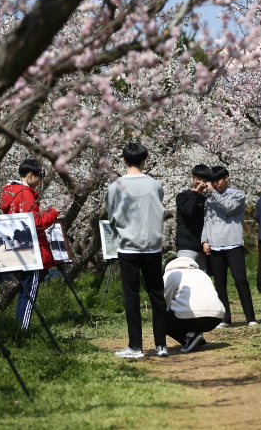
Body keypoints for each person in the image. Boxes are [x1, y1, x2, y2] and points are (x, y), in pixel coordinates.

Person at [106, 143, 168, 359]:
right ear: (145, 160)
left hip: (128, 248)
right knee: (157, 295)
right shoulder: (156, 184)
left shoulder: (115, 187)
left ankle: (135, 347)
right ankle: (161, 345)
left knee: (131, 297)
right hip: (153, 246)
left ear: (123, 160)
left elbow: (111, 215)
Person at [0, 158, 59, 330]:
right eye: (40, 177)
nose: (40, 182)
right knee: (29, 290)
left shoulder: (11, 192)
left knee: (25, 289)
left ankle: (18, 327)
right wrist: (53, 213)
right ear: (30, 174)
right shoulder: (25, 193)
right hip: (31, 249)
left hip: (16, 247)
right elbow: (35, 223)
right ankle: (22, 330)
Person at [201, 166, 258, 327]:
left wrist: (213, 193)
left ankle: (251, 317)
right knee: (219, 282)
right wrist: (204, 240)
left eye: (218, 180)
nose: (215, 184)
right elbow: (206, 221)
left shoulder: (238, 194)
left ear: (226, 177)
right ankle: (225, 317)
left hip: (233, 242)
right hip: (215, 244)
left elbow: (229, 208)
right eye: (213, 181)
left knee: (240, 279)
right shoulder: (209, 198)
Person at [163, 257, 226, 353]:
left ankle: (189, 338)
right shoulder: (202, 273)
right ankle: (200, 341)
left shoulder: (171, 274)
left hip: (193, 318)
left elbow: (164, 302)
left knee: (161, 319)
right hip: (217, 317)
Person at [175, 165, 212, 272]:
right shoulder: (183, 196)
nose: (201, 183)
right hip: (186, 245)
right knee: (186, 277)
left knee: (202, 279)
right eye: (199, 179)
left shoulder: (206, 199)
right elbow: (189, 211)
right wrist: (196, 192)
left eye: (204, 180)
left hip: (202, 246)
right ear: (193, 178)